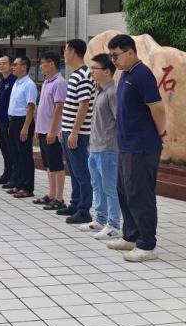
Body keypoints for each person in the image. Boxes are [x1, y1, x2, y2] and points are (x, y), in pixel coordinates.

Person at [106, 35, 166, 262]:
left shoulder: (142, 74)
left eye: (116, 55)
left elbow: (157, 108)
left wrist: (160, 133)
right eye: (111, 56)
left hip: (141, 146)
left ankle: (147, 245)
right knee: (125, 192)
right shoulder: (125, 75)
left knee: (141, 194)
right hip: (125, 145)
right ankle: (131, 236)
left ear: (130, 52)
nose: (113, 60)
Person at [82, 54, 122, 241]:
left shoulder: (113, 93)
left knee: (109, 188)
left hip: (108, 149)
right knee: (97, 185)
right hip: (95, 148)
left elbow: (120, 121)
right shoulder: (99, 91)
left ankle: (113, 225)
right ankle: (101, 219)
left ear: (107, 72)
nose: (91, 72)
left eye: (94, 68)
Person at [56, 39, 95, 222]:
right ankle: (75, 203)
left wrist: (74, 132)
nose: (64, 54)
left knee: (82, 173)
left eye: (65, 50)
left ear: (73, 52)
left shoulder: (84, 75)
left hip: (77, 133)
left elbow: (84, 105)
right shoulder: (75, 75)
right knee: (73, 171)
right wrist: (64, 129)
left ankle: (84, 210)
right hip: (69, 130)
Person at [35, 52, 70, 210]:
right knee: (48, 164)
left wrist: (52, 130)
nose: (41, 66)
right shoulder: (46, 82)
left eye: (43, 63)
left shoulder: (59, 82)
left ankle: (59, 198)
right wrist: (38, 128)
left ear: (51, 64)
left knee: (57, 165)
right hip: (43, 130)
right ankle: (51, 194)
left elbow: (59, 107)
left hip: (52, 131)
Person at [6, 56, 38, 198]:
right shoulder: (17, 82)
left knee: (25, 155)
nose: (12, 67)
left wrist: (25, 128)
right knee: (16, 155)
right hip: (13, 121)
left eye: (15, 64)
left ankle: (27, 187)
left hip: (23, 122)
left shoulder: (29, 84)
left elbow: (31, 107)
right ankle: (19, 183)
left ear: (24, 67)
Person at [0, 56, 16, 187]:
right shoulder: (1, 82)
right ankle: (6, 175)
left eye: (4, 63)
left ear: (11, 65)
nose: (1, 66)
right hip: (0, 121)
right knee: (4, 150)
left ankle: (13, 177)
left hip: (9, 121)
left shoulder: (14, 81)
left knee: (11, 151)